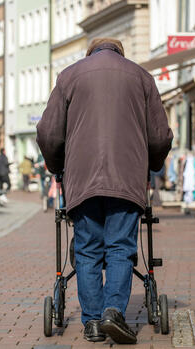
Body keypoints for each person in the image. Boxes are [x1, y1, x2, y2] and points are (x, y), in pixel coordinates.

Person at [37, 38, 173, 344]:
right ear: (120, 53)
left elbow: (48, 133)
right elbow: (160, 136)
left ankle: (93, 323)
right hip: (127, 178)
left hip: (81, 179)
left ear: (90, 53)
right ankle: (114, 311)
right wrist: (151, 164)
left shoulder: (70, 76)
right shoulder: (141, 77)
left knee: (86, 249)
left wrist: (57, 166)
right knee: (121, 248)